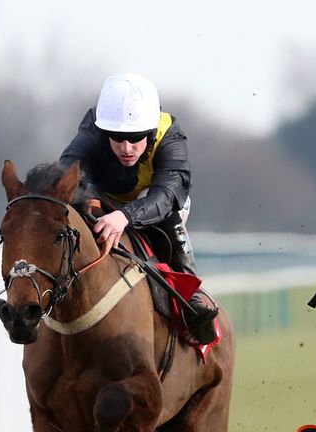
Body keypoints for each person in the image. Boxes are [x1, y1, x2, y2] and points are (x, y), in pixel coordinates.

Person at [59, 73, 218, 345]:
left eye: (135, 138)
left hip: (157, 205)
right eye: (117, 138)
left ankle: (192, 298)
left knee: (167, 213)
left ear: (150, 131)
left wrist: (124, 216)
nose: (126, 148)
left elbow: (166, 195)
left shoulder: (170, 135)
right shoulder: (95, 127)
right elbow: (68, 171)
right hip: (104, 199)